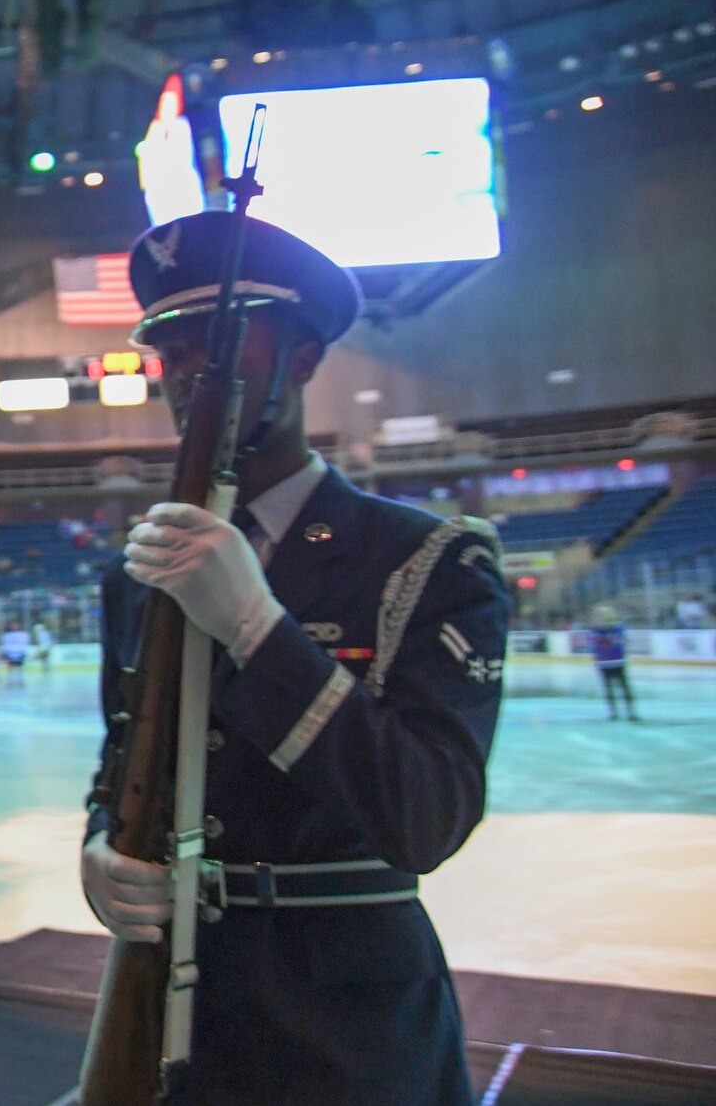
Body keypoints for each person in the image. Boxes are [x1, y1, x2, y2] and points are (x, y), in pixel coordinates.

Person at [79, 213, 509, 1105]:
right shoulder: (141, 567)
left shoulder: (427, 558)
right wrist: (99, 844)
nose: (194, 366)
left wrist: (257, 628)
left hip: (349, 1025)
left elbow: (428, 815)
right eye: (174, 345)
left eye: (225, 337)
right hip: (178, 1012)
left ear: (305, 357)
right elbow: (124, 751)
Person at [589, 604, 635, 719]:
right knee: (610, 688)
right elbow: (595, 646)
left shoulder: (617, 628)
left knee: (623, 687)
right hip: (605, 663)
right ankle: (614, 712)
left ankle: (630, 712)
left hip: (617, 662)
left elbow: (622, 641)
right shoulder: (596, 630)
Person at [0, 618, 31, 689]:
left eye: (16, 625)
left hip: (20, 654)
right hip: (10, 654)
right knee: (9, 669)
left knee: (20, 669)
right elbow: (5, 645)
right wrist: (6, 653)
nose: (14, 626)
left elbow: (25, 644)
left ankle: (21, 681)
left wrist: (23, 651)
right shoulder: (7, 635)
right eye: (13, 625)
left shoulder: (23, 634)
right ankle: (10, 682)